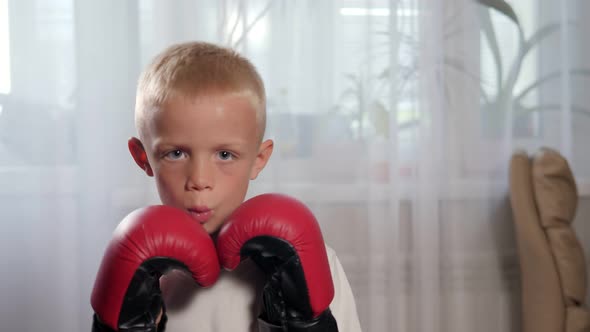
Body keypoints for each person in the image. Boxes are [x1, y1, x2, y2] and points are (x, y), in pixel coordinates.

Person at [93, 41, 362, 332]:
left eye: (224, 155)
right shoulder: (136, 267)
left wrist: (304, 322)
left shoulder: (310, 262)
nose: (199, 180)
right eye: (176, 153)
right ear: (142, 158)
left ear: (259, 159)